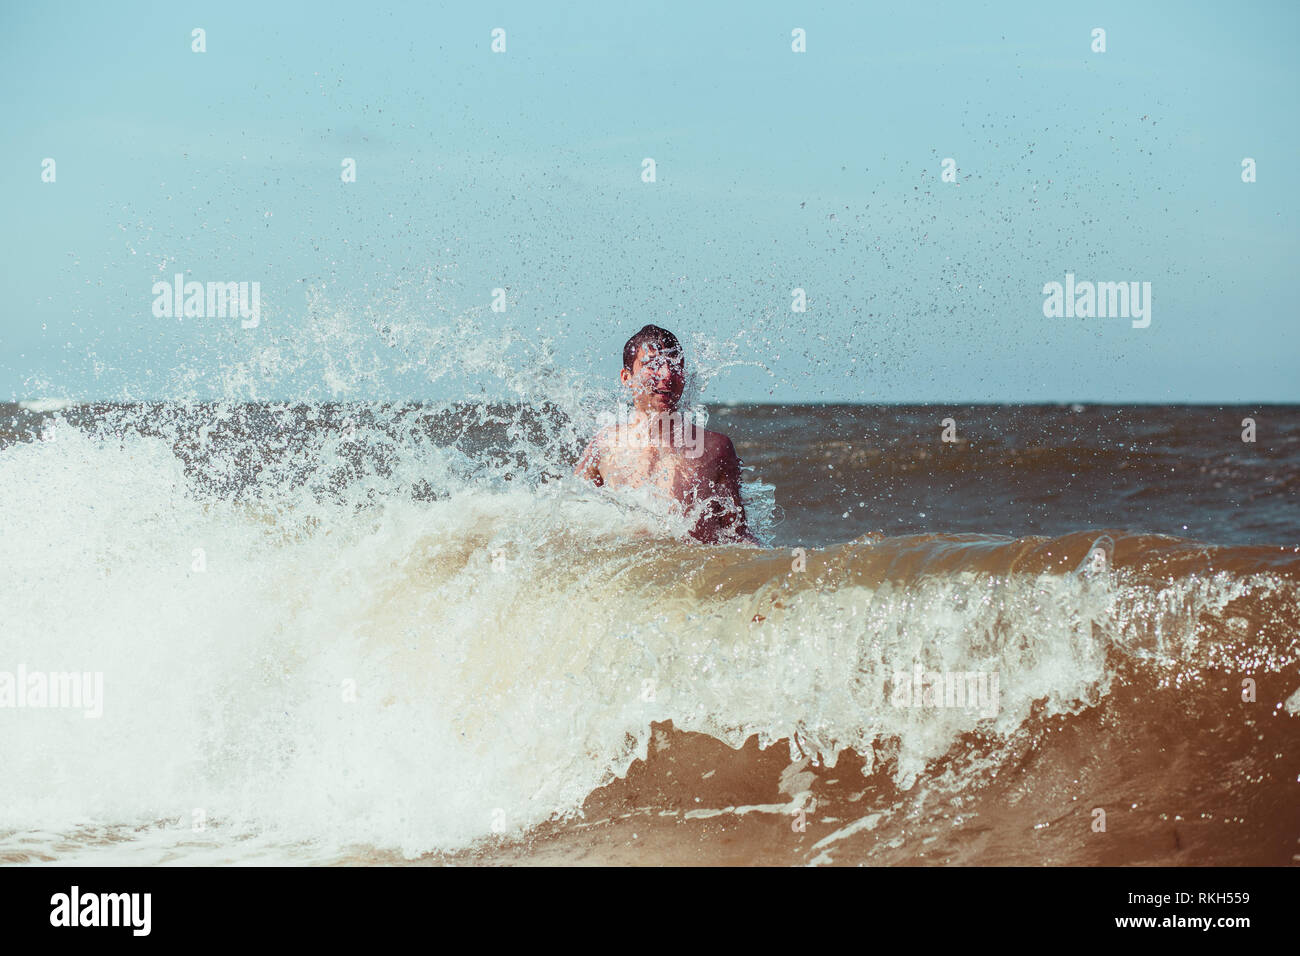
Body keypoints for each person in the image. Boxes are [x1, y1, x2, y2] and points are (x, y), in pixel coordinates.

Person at [574, 325, 760, 545]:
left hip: (694, 576)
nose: (667, 374)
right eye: (652, 365)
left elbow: (738, 539)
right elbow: (572, 522)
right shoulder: (604, 445)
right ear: (626, 377)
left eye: (675, 364)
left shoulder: (715, 448)